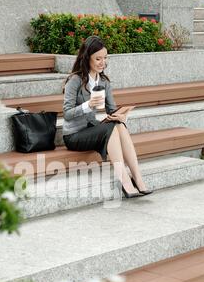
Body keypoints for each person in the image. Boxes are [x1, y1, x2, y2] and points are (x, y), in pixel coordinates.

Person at [62, 35, 153, 198]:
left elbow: (112, 110)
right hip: (74, 135)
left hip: (91, 129)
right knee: (109, 130)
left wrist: (122, 116)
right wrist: (87, 105)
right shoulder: (75, 80)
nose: (102, 62)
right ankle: (125, 181)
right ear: (87, 58)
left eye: (105, 58)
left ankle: (138, 179)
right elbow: (67, 114)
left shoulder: (104, 81)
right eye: (98, 58)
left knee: (118, 125)